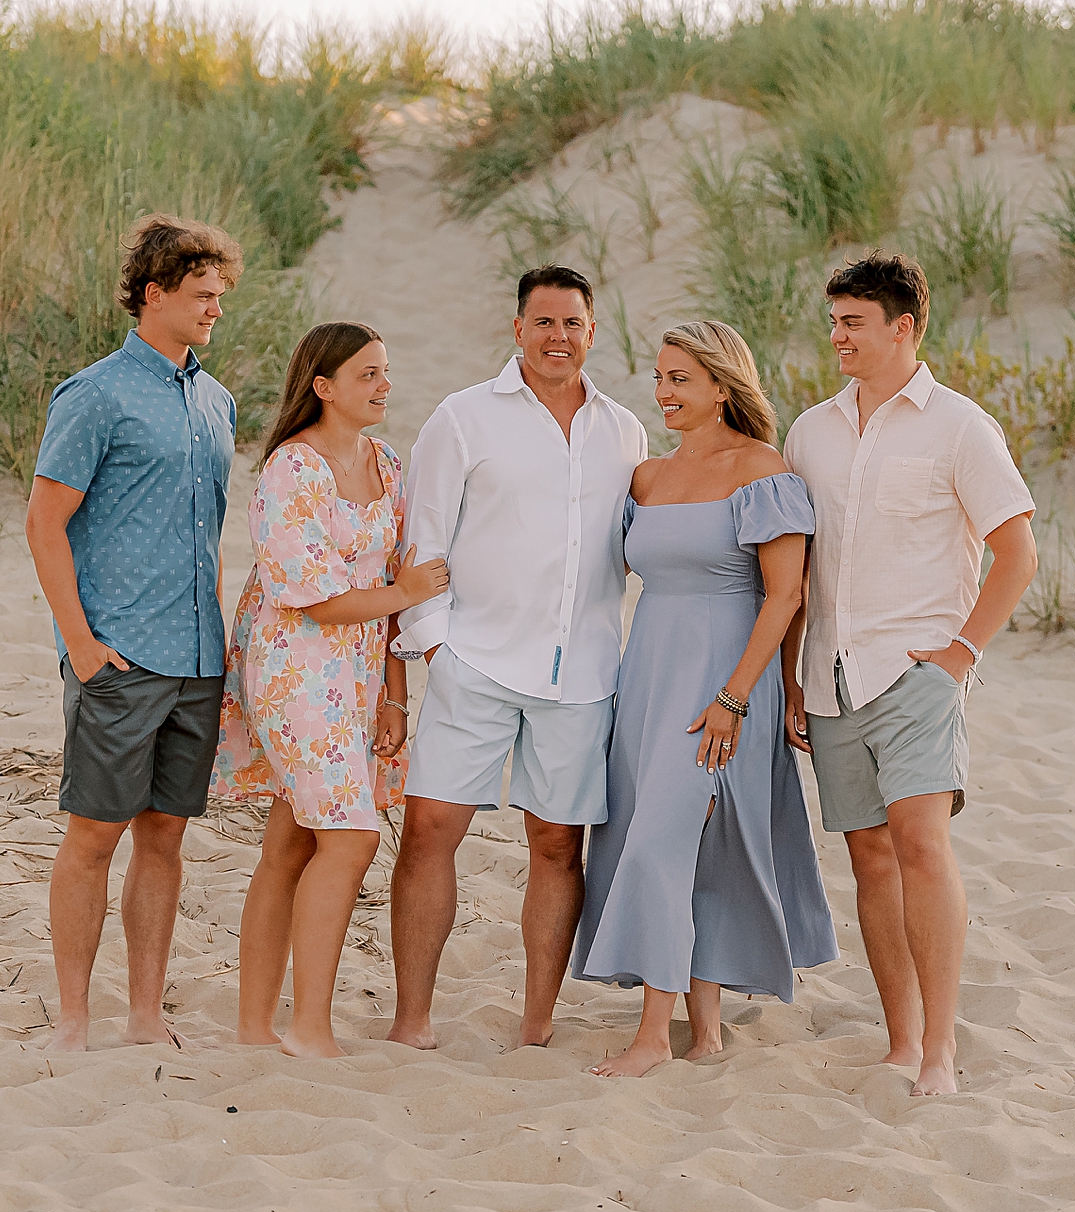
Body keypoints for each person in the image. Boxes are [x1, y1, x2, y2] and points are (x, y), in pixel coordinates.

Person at [781, 250, 1038, 1096]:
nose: (838, 337)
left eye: (853, 323)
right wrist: (790, 678)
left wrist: (959, 656)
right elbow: (794, 571)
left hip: (918, 674)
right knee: (869, 860)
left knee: (923, 848)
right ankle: (901, 1039)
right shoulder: (810, 431)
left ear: (906, 327)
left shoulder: (962, 426)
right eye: (834, 322)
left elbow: (1017, 552)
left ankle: (941, 1052)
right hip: (830, 678)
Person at [384, 265, 648, 1050]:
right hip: (478, 662)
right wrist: (438, 646)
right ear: (517, 330)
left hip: (583, 675)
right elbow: (421, 539)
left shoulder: (623, 430)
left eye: (573, 324)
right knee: (431, 829)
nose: (558, 338)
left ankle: (536, 1026)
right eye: (543, 323)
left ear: (592, 332)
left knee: (558, 846)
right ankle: (412, 1020)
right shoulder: (463, 419)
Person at [572, 321, 838, 1078]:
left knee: (667, 839)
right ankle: (707, 1026)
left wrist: (739, 695)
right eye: (658, 378)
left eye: (680, 379)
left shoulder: (762, 468)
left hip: (725, 687)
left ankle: (654, 1035)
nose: (663, 394)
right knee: (677, 844)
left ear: (724, 384)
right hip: (649, 681)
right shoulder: (647, 478)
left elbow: (787, 595)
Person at [24, 213, 244, 1053]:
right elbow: (45, 525)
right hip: (117, 651)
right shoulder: (94, 395)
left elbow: (208, 534)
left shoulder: (217, 401)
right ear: (153, 295)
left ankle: (145, 1016)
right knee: (93, 835)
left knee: (165, 837)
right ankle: (74, 1021)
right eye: (200, 296)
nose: (214, 309)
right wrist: (81, 645)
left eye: (220, 296)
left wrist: (217, 644)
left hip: (195, 656)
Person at [213, 322, 449, 1058]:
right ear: (324, 386)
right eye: (368, 375)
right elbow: (312, 597)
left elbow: (390, 590)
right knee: (350, 835)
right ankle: (310, 1026)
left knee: (290, 842)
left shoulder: (383, 461)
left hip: (356, 674)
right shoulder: (292, 469)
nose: (384, 386)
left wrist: (393, 694)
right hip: (293, 670)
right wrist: (404, 590)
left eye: (385, 371)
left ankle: (255, 1028)